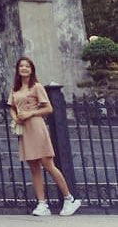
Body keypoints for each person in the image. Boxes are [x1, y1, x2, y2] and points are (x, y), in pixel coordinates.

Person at [7, 56, 81, 217]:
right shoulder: (15, 89)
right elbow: (11, 106)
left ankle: (69, 198)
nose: (24, 68)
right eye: (21, 66)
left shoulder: (37, 87)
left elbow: (48, 108)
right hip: (24, 128)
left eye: (27, 66)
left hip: (36, 125)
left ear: (32, 69)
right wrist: (15, 117)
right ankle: (42, 203)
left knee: (48, 164)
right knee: (33, 167)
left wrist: (30, 113)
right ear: (18, 70)